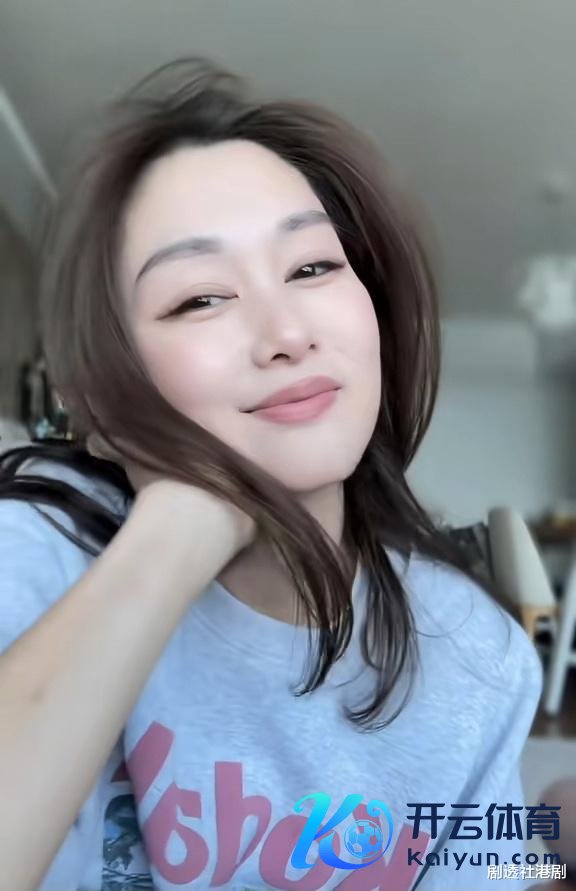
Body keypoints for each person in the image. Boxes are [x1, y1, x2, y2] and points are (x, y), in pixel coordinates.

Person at [0, 57, 543, 891]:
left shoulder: (478, 657)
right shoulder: (33, 557)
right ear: (97, 395)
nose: (286, 333)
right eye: (199, 298)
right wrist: (180, 529)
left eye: (313, 268)